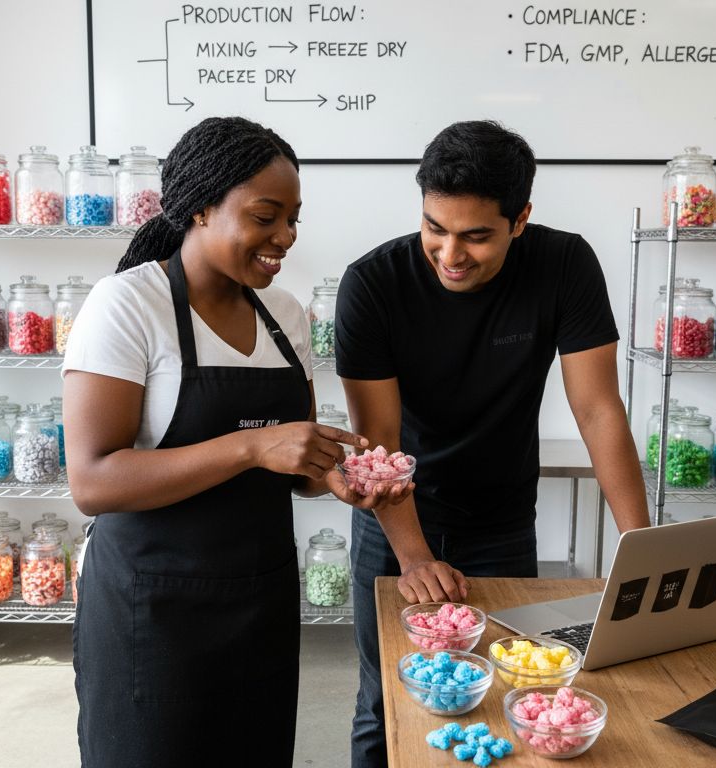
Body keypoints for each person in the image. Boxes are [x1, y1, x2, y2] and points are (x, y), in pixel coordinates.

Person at [63, 116, 408, 767]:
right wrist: (250, 447)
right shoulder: (127, 306)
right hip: (152, 611)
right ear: (199, 208)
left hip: (260, 602)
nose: (286, 237)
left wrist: (339, 474)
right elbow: (92, 481)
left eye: (293, 219)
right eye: (266, 216)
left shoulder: (285, 316)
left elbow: (294, 466)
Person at [336, 120, 651, 767]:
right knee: (386, 703)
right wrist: (417, 557)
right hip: (396, 526)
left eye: (475, 236)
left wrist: (640, 549)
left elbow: (598, 410)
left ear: (519, 220)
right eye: (435, 228)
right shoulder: (373, 284)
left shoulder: (564, 265)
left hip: (504, 527)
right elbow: (381, 447)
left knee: (506, 693)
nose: (450, 254)